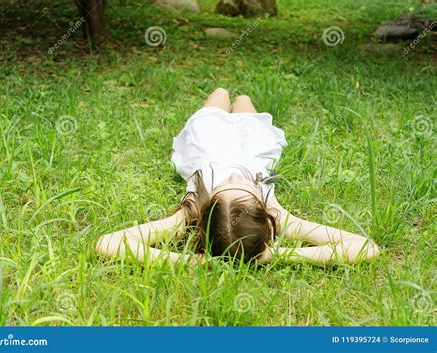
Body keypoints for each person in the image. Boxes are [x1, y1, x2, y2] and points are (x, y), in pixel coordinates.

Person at [96, 88, 380, 265]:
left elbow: (107, 243)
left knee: (220, 94)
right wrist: (275, 255)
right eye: (242, 189)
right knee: (244, 102)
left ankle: (223, 93)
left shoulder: (188, 216)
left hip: (207, 141)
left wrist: (189, 263)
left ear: (207, 210)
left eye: (227, 188)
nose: (233, 179)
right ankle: (239, 97)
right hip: (252, 147)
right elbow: (365, 248)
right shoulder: (278, 216)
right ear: (263, 214)